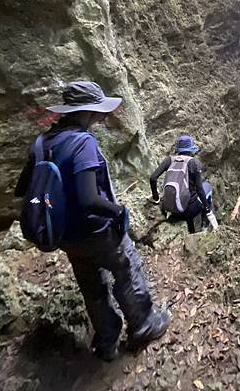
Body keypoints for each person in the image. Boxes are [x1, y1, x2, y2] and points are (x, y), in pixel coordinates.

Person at [15, 81, 169, 361]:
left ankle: (107, 342)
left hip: (67, 237)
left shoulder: (42, 142)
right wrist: (118, 210)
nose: (102, 116)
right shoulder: (83, 142)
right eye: (98, 111)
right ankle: (143, 325)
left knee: (92, 287)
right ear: (86, 111)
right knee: (126, 268)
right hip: (97, 230)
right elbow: (89, 200)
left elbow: (22, 188)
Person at [149, 134, 212, 233]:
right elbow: (199, 190)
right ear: (190, 149)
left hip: (169, 208)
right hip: (188, 211)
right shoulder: (194, 163)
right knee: (207, 186)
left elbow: (153, 178)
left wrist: (156, 197)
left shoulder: (169, 160)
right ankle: (205, 220)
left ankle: (191, 226)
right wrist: (206, 207)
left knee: (192, 196)